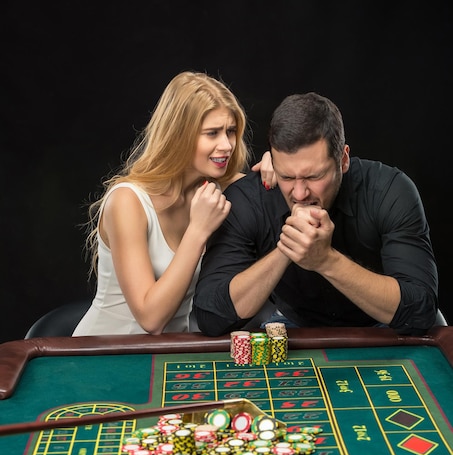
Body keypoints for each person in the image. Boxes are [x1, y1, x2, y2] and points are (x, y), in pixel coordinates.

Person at [193, 92, 439, 337]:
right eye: (287, 177)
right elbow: (211, 317)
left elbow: (420, 311)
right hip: (294, 327)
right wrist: (287, 248)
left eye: (314, 176)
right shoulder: (249, 199)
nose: (299, 194)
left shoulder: (389, 190)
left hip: (384, 326)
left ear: (343, 159)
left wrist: (325, 260)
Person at [73, 71, 272, 336]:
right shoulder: (127, 201)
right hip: (103, 356)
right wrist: (198, 230)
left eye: (231, 131)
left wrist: (277, 166)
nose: (226, 145)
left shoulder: (218, 189)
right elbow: (151, 319)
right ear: (178, 135)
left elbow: (267, 184)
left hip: (169, 357)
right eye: (212, 133)